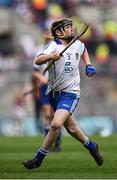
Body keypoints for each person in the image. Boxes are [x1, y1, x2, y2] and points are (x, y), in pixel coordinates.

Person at [23, 18, 103, 169]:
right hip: (53, 93)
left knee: (55, 124)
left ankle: (38, 159)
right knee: (72, 129)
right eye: (68, 27)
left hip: (71, 92)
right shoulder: (53, 45)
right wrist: (50, 56)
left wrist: (88, 65)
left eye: (72, 27)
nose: (72, 29)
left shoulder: (78, 44)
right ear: (59, 32)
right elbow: (38, 60)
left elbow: (83, 50)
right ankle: (92, 146)